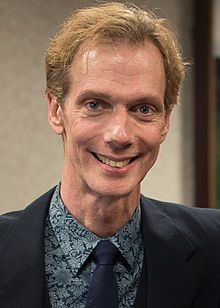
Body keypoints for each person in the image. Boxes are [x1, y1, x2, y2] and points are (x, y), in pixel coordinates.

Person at [0, 2, 220, 308]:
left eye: (143, 109)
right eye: (95, 104)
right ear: (55, 110)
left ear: (165, 122)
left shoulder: (215, 246)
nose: (119, 135)